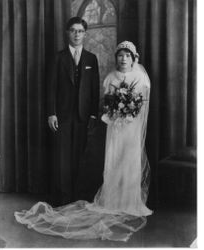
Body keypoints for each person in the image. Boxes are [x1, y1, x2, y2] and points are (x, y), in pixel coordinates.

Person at [15, 41, 152, 242]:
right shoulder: (111, 77)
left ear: (133, 58)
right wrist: (115, 112)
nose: (123, 59)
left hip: (131, 128)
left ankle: (130, 201)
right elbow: (106, 101)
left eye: (127, 56)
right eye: (120, 55)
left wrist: (129, 113)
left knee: (129, 161)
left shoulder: (140, 78)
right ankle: (113, 199)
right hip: (115, 127)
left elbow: (142, 106)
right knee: (114, 159)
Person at [47, 17, 100, 205]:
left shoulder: (91, 59)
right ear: (67, 33)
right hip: (62, 116)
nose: (77, 34)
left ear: (85, 34)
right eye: (73, 30)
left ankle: (78, 198)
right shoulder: (57, 57)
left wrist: (93, 114)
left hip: (83, 116)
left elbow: (95, 89)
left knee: (80, 157)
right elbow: (51, 87)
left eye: (80, 31)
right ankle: (63, 199)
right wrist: (51, 112)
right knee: (63, 158)